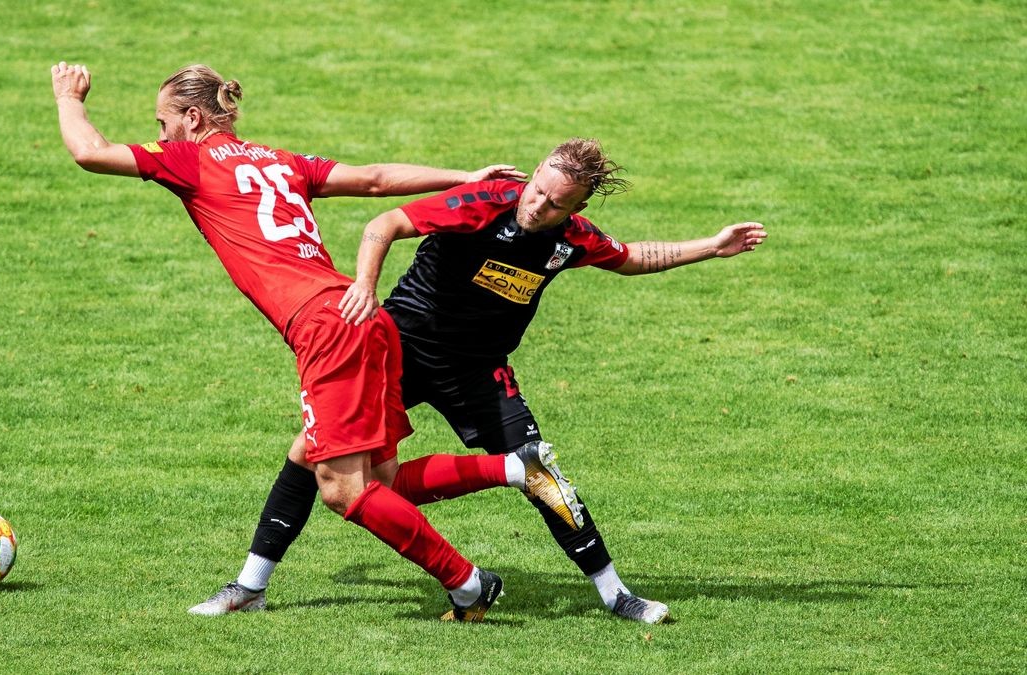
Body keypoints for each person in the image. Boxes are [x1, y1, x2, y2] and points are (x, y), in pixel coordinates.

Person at [49, 61, 589, 622]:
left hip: (325, 328)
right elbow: (376, 178)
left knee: (343, 491)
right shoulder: (282, 161)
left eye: (163, 123)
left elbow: (91, 152)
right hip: (365, 318)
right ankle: (507, 470)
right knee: (364, 474)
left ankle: (468, 582)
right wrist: (464, 177)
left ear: (191, 118)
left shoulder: (190, 158)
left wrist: (69, 97)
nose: (160, 136)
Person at [220, 138, 767, 624]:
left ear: (575, 208)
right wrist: (365, 285)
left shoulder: (571, 239)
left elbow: (628, 257)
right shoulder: (481, 203)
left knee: (544, 474)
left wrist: (712, 247)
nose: (537, 204)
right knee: (312, 456)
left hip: (479, 370)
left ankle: (616, 593)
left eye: (556, 203)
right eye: (536, 189)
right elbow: (385, 224)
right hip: (401, 352)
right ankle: (251, 584)